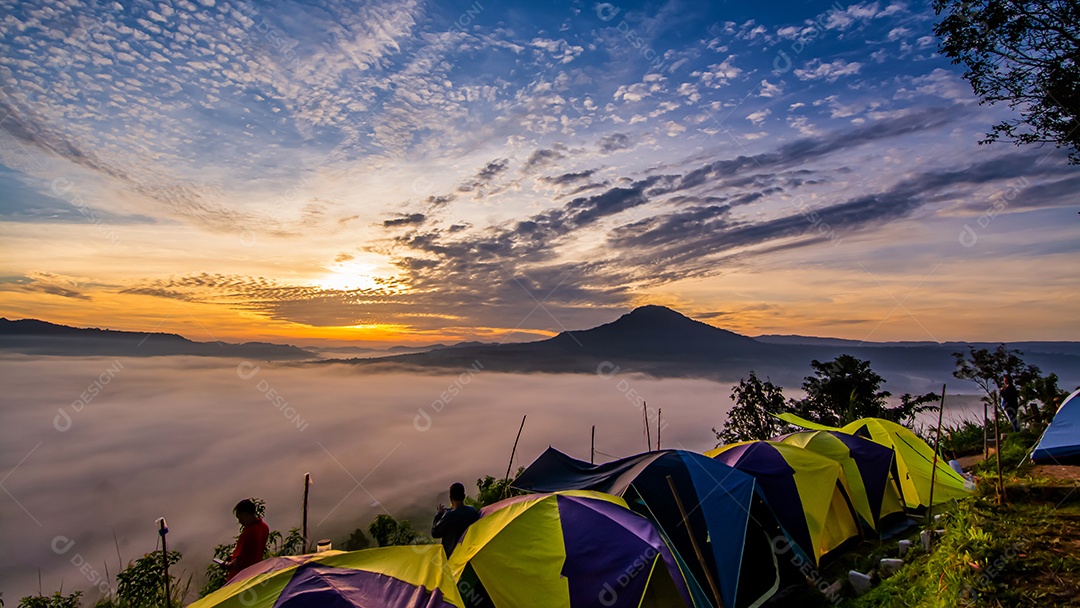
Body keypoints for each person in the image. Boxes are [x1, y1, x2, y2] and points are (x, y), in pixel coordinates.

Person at [225, 498, 270, 581]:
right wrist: (233, 557)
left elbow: (237, 563)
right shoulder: (264, 527)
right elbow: (252, 553)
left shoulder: (248, 533)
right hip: (254, 574)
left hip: (239, 578)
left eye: (239, 518)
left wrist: (227, 565)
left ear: (245, 515)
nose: (240, 522)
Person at [431, 482, 480, 557]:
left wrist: (439, 514)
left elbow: (435, 533)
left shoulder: (449, 516)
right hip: (470, 555)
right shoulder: (472, 511)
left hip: (453, 557)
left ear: (450, 498)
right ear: (464, 496)